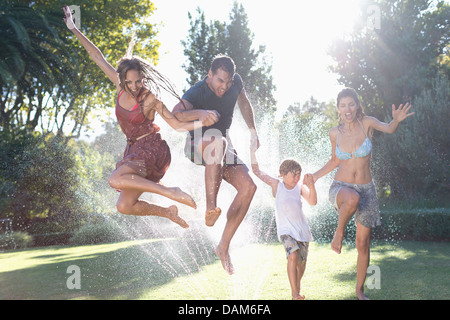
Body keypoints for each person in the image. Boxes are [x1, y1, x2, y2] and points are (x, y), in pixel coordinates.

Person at [63, 6, 218, 229]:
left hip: (153, 149)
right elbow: (96, 56)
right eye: (130, 82)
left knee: (114, 179)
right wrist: (74, 29)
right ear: (123, 80)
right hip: (135, 150)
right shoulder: (119, 88)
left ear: (143, 79)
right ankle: (168, 212)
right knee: (124, 206)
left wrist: (200, 122)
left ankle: (170, 192)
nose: (135, 86)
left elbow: (175, 124)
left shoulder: (150, 99)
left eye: (139, 81)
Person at [311, 87, 414, 300]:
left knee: (363, 243)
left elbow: (389, 128)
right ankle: (338, 233)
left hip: (367, 189)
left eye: (351, 104)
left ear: (357, 106)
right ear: (338, 109)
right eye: (342, 105)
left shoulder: (367, 123)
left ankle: (359, 290)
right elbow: (334, 161)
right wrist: (314, 176)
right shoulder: (334, 133)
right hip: (341, 187)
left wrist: (396, 120)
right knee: (351, 198)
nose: (347, 109)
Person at [172, 55, 259, 274]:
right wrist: (201, 113)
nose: (224, 86)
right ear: (210, 74)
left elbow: (244, 102)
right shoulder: (197, 91)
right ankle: (210, 207)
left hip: (222, 145)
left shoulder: (235, 83)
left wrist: (253, 130)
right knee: (217, 141)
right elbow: (176, 114)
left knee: (249, 188)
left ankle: (223, 246)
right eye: (220, 80)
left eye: (228, 82)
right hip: (196, 143)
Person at [250, 146, 317, 300]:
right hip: (286, 231)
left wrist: (311, 186)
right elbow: (256, 171)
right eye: (293, 175)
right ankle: (294, 294)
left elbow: (313, 201)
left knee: (301, 264)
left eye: (298, 175)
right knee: (293, 256)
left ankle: (297, 291)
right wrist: (252, 151)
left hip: (302, 232)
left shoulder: (299, 188)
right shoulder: (277, 185)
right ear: (282, 174)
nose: (297, 179)